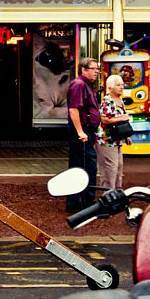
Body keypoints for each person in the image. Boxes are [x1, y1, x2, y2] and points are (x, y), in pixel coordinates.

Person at [66, 57, 101, 213]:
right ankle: (86, 202)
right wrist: (80, 131)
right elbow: (74, 109)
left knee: (79, 165)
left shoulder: (85, 85)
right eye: (93, 69)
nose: (96, 72)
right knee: (88, 166)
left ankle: (75, 202)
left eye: (97, 69)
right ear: (83, 69)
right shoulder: (79, 85)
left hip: (86, 130)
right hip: (82, 131)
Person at [96, 74, 131, 190]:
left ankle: (117, 192)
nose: (121, 87)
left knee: (118, 167)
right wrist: (122, 118)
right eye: (118, 85)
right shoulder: (107, 101)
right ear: (110, 87)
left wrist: (126, 136)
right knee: (110, 169)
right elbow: (104, 119)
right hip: (106, 139)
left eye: (122, 85)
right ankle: (108, 194)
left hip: (117, 139)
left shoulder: (119, 100)